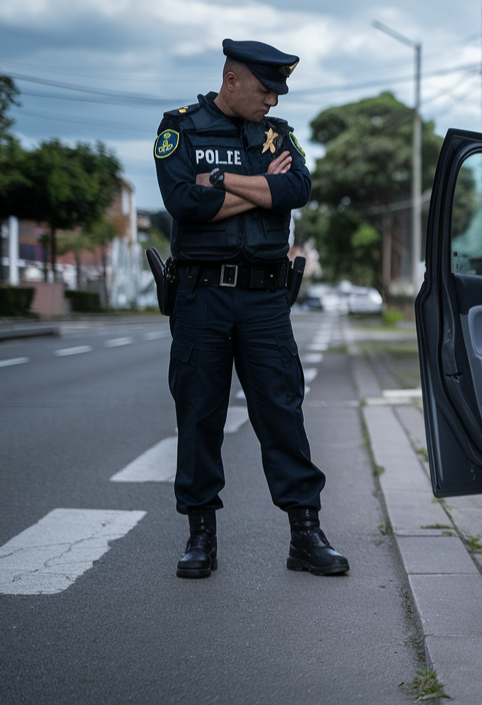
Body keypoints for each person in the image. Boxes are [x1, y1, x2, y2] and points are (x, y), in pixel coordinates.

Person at [154, 39, 348, 579]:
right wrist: (265, 187)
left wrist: (218, 181)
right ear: (231, 80)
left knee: (283, 413)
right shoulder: (181, 129)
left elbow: (298, 188)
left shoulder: (277, 135)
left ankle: (305, 535)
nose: (273, 101)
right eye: (265, 89)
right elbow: (183, 202)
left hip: (265, 298)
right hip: (202, 297)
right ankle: (200, 537)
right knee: (199, 415)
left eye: (278, 92)